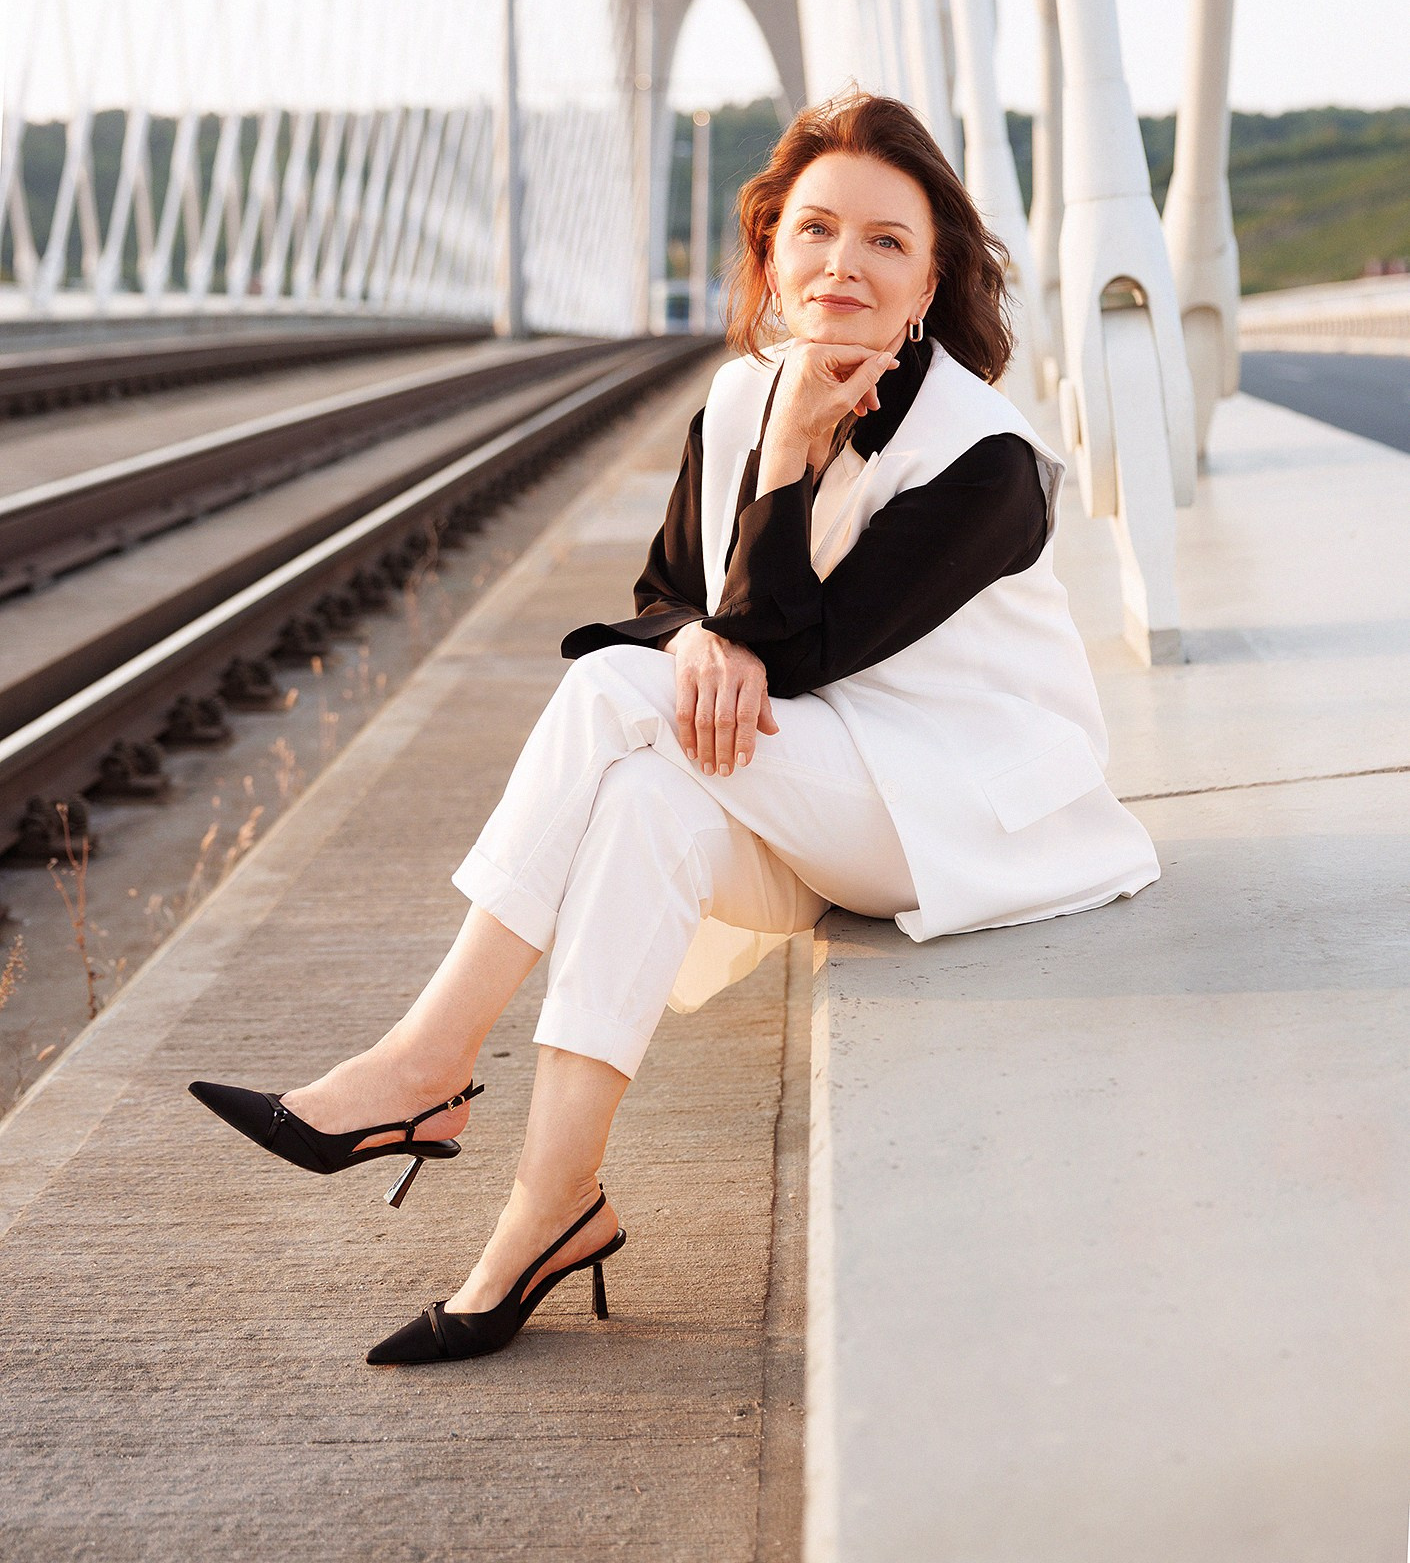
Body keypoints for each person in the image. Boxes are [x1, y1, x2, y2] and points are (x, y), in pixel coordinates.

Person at [190, 90, 1160, 1366]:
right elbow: (664, 603)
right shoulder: (735, 394)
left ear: (932, 277)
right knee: (645, 797)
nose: (843, 264)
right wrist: (697, 628)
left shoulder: (985, 457)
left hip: (955, 811)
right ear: (772, 252)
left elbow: (796, 655)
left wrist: (791, 462)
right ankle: (553, 1205)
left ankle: (425, 1062)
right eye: (816, 230)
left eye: (885, 240)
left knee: (612, 695)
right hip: (809, 786)